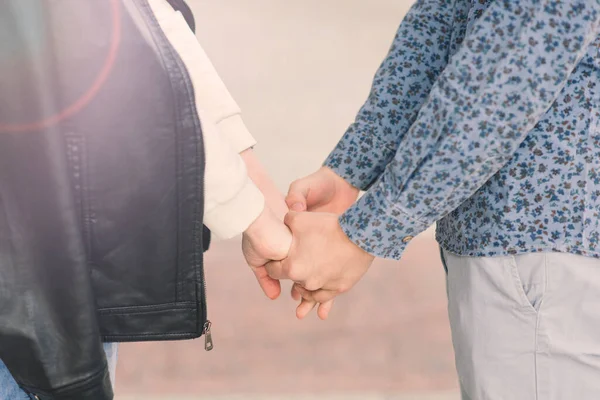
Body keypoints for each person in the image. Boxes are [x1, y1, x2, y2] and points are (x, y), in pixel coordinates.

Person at [271, 1, 600, 399]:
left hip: (546, 241)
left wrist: (366, 231)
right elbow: (443, 17)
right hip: (516, 240)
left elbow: (508, 71)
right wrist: (353, 166)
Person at [0, 0, 289, 398]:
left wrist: (253, 182)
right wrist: (255, 217)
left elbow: (139, 17)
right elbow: (122, 58)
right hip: (28, 284)